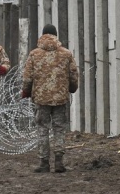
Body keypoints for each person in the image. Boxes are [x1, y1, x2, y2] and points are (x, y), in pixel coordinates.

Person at [21, 24, 78, 173]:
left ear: (43, 35)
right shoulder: (66, 53)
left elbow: (27, 77)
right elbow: (73, 74)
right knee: (59, 129)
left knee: (42, 129)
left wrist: (26, 91)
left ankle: (44, 162)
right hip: (60, 98)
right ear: (55, 35)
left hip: (41, 98)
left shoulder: (34, 54)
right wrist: (72, 88)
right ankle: (59, 162)